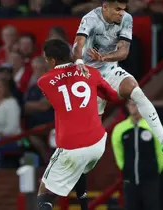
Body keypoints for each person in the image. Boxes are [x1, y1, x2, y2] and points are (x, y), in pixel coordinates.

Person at [72, 0, 163, 154]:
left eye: (123, 9)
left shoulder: (126, 19)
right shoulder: (90, 18)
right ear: (105, 7)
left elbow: (124, 52)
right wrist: (79, 61)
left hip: (111, 70)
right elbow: (78, 44)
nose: (121, 13)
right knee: (90, 138)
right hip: (88, 75)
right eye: (117, 9)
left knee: (136, 90)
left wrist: (104, 58)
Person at [36, 39, 121, 210]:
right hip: (97, 142)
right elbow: (113, 96)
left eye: (47, 60)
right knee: (80, 169)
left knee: (44, 192)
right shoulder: (91, 72)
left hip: (71, 145)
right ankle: (84, 206)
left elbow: (59, 97)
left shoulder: (44, 81)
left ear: (52, 61)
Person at [111, 100, 163, 210]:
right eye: (130, 104)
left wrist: (154, 169)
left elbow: (162, 151)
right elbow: (118, 151)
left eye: (136, 104)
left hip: (150, 179)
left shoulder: (153, 126)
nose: (133, 107)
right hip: (130, 179)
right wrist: (126, 168)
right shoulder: (120, 129)